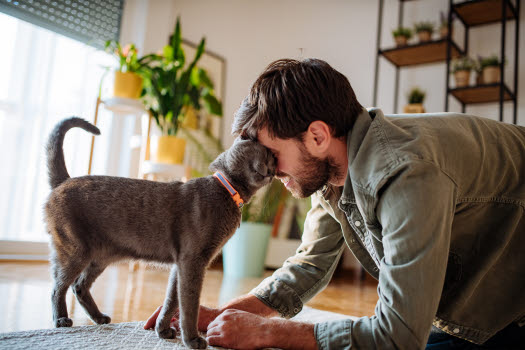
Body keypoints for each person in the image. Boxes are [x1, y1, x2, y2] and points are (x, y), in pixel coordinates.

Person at [144, 58, 525, 349]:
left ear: (317, 135)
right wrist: (231, 312)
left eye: (273, 154)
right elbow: (310, 264)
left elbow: (398, 337)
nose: (269, 170)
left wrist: (270, 332)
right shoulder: (335, 168)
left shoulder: (406, 175)